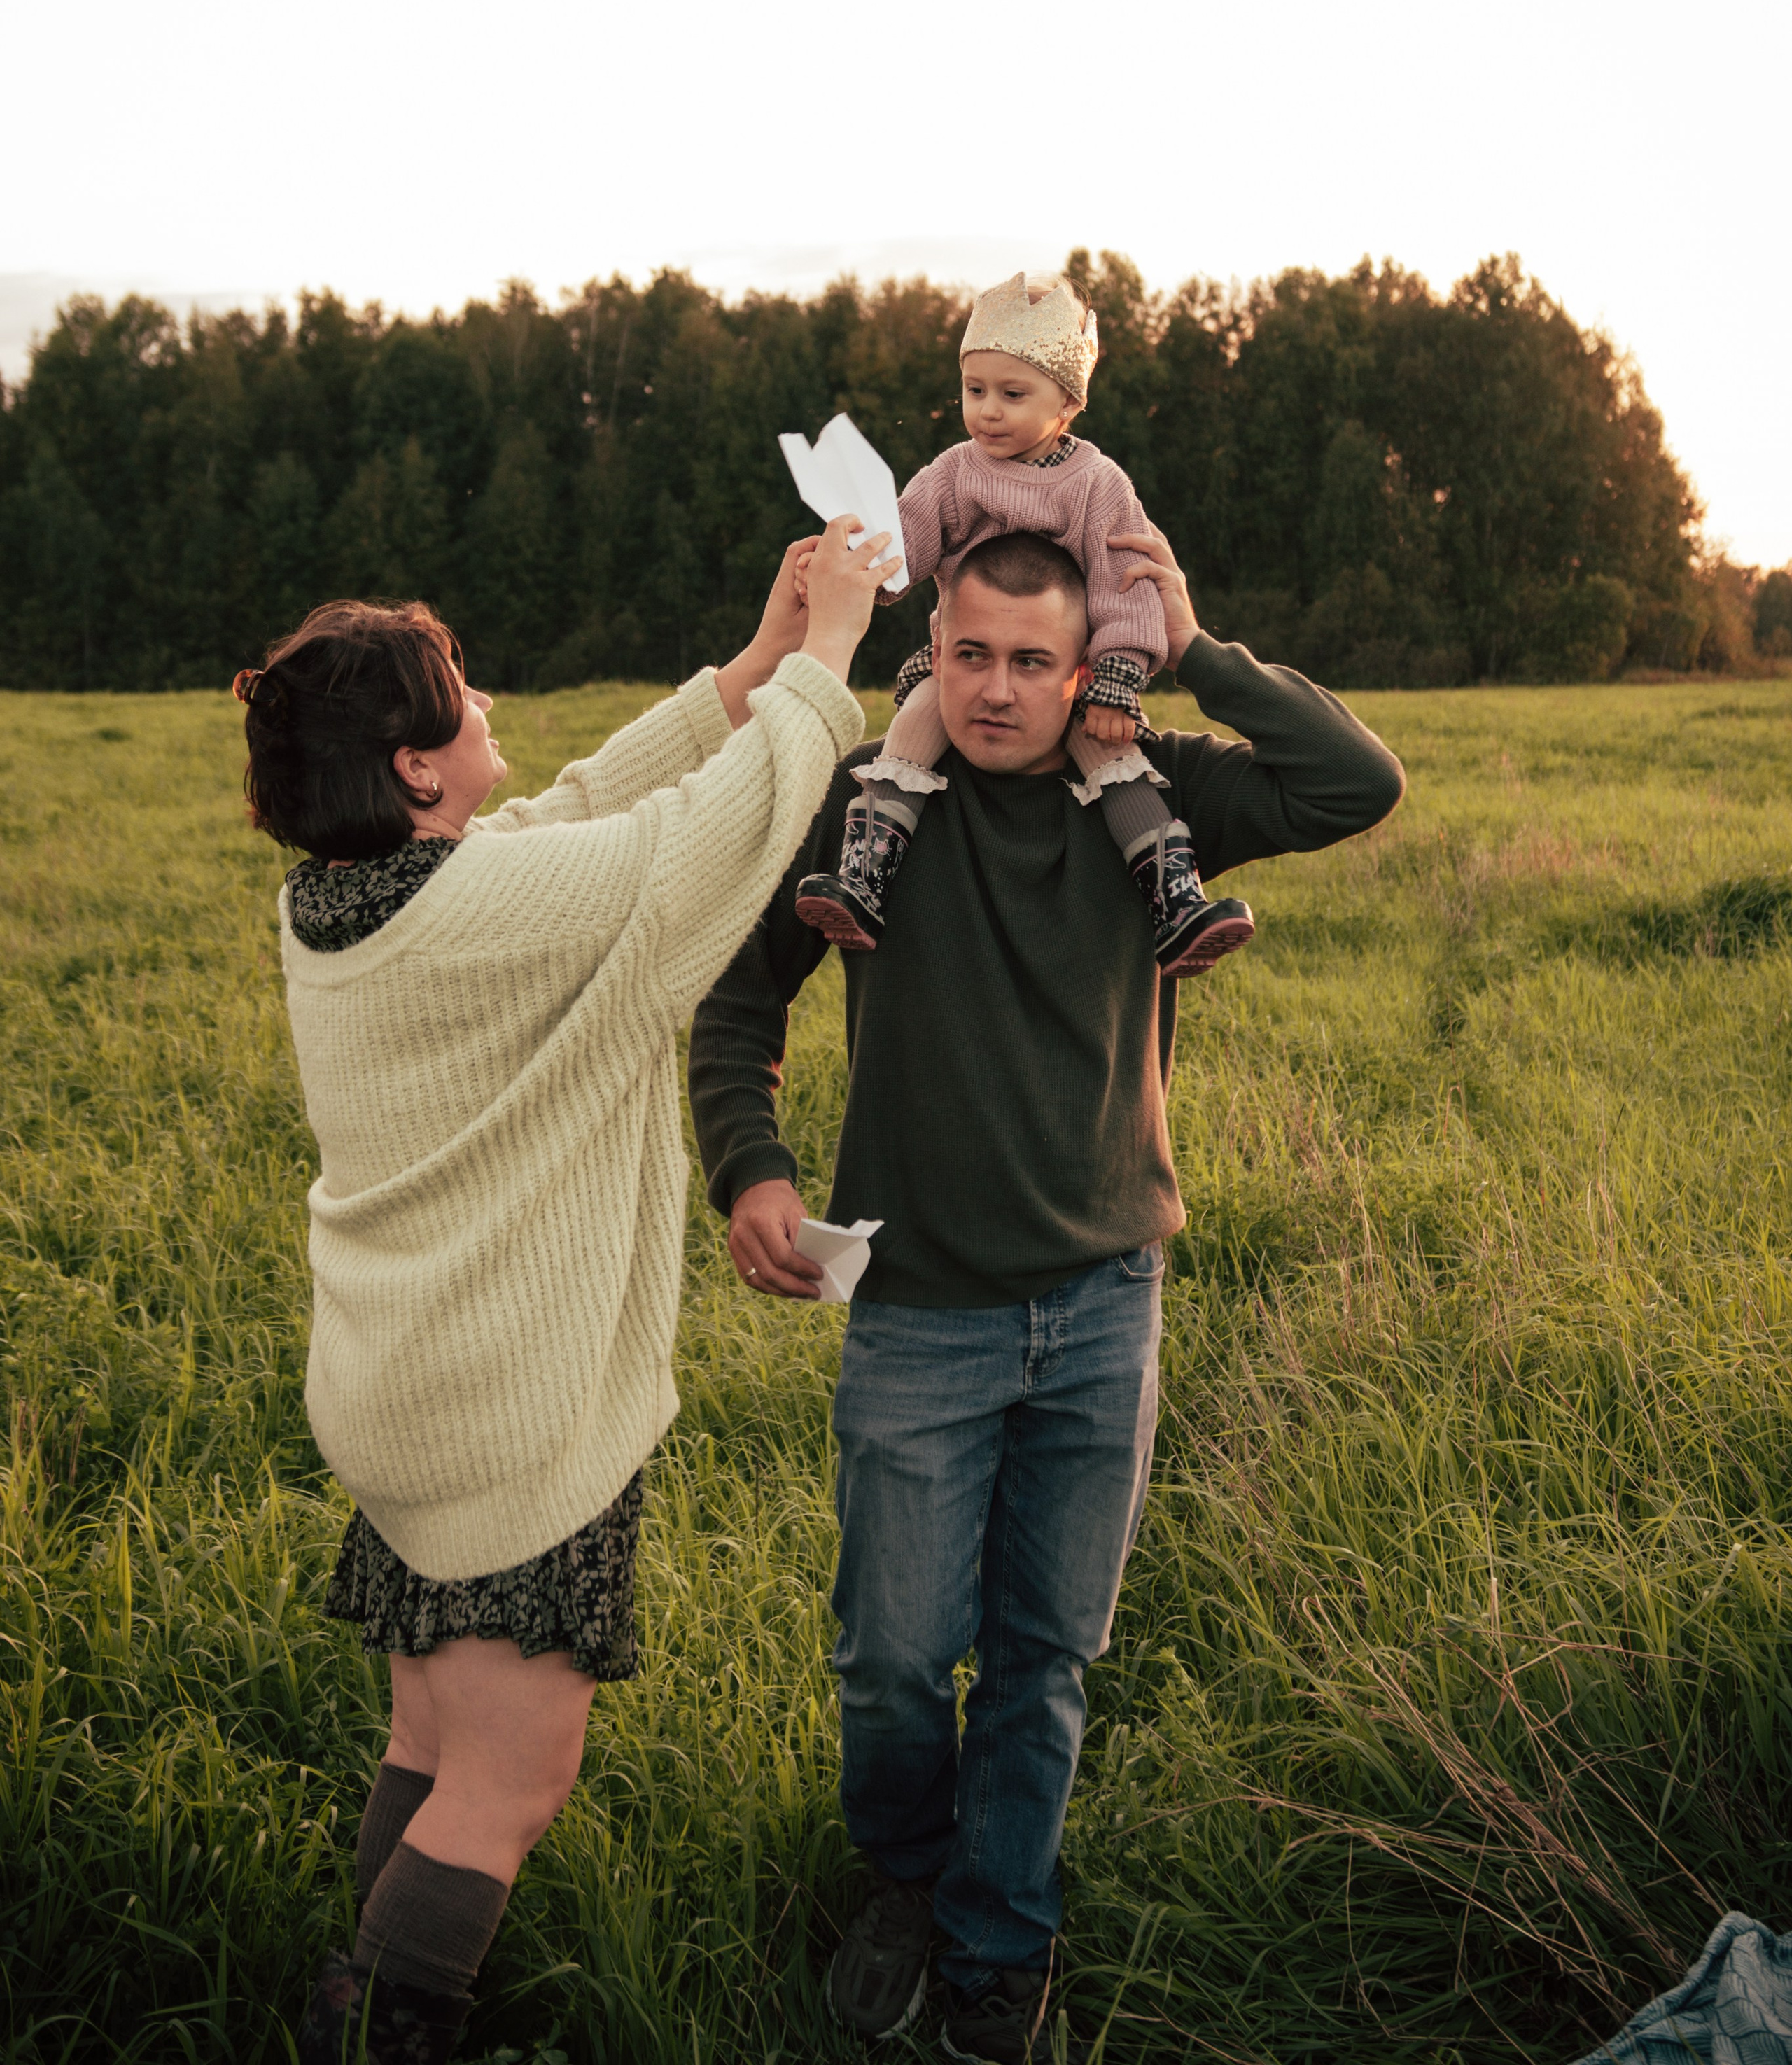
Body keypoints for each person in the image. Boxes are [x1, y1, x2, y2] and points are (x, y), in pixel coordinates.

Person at [690, 526, 1404, 2064]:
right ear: (926, 651)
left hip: (1100, 1305)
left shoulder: (1140, 788)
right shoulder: (870, 807)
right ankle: (902, 1879)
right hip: (918, 1312)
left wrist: (1196, 652)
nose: (999, 690)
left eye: (1033, 660)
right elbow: (736, 996)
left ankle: (996, 1940)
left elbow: (1357, 784)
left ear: (1085, 664)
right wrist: (748, 1166)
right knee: (890, 1655)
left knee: (1042, 1653)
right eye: (968, 655)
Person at [234, 516, 893, 2065]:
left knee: (428, 1735)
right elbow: (680, 855)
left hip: (405, 1398)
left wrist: (750, 662)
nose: (486, 714)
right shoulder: (469, 913)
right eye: (459, 697)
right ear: (411, 765)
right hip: (503, 1414)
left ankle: (357, 1978)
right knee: (510, 1780)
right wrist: (830, 660)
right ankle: (385, 2034)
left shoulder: (352, 902)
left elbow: (572, 818)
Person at [794, 267, 1254, 976]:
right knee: (914, 731)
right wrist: (862, 566)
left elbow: (1123, 580)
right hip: (965, 659)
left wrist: (1119, 675)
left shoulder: (1097, 485)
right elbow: (908, 542)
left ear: (1069, 402)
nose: (988, 412)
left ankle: (1174, 900)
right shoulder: (952, 472)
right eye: (975, 392)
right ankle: (863, 879)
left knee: (1115, 761)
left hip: (1076, 675)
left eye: (1013, 394)